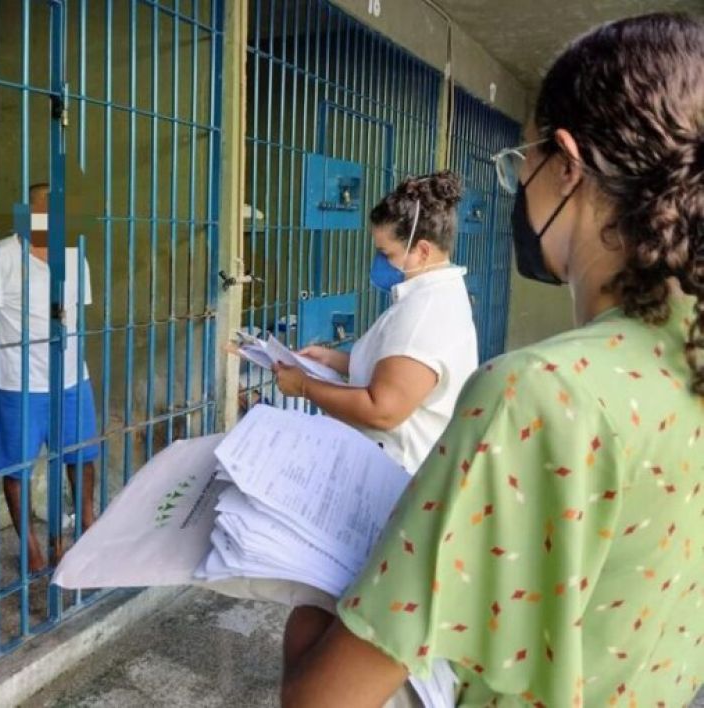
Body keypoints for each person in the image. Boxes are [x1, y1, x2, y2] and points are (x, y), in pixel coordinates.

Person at [280, 13, 704, 707]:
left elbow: (321, 700)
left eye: (520, 163)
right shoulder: (683, 358)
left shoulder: (542, 394)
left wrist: (302, 587)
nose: (519, 187)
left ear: (565, 164)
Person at [274, 171, 478, 474]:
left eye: (386, 253)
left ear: (422, 251)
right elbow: (399, 371)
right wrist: (335, 360)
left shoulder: (425, 312)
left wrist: (304, 386)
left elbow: (382, 410)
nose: (380, 262)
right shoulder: (434, 294)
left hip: (400, 475)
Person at [0, 183, 99, 573]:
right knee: (16, 468)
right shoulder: (0, 257)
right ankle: (31, 548)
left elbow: (74, 313)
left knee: (82, 456)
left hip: (71, 378)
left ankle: (87, 526)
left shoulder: (75, 256)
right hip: (18, 383)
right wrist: (11, 348)